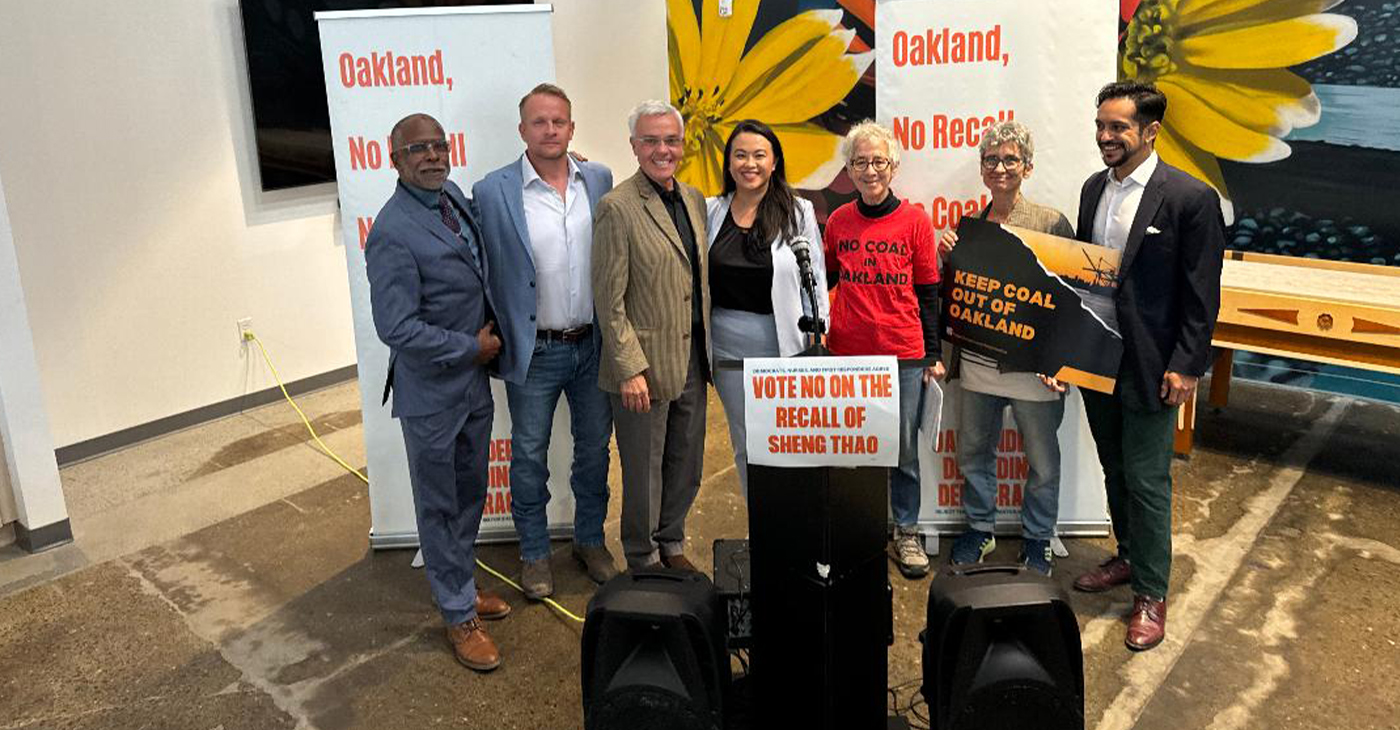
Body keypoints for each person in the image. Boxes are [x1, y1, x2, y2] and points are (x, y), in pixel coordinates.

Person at [1070, 81, 1226, 651]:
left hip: (1154, 364)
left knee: (1149, 479)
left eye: (1119, 127)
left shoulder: (1189, 198)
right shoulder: (1093, 189)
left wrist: (1187, 365)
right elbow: (1088, 277)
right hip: (1097, 359)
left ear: (1151, 131)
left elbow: (1202, 294)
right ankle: (1129, 558)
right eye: (1102, 125)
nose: (1106, 137)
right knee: (1115, 468)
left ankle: (1152, 594)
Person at [365, 113, 511, 672]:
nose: (431, 156)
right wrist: (467, 347)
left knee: (471, 490)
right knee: (439, 502)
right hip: (431, 392)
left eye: (438, 146)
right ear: (394, 158)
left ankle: (462, 583)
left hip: (473, 383)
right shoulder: (392, 230)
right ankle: (457, 615)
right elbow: (396, 328)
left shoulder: (450, 195)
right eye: (417, 149)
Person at [473, 84, 617, 599]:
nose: (550, 130)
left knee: (594, 451)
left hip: (593, 346)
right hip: (533, 350)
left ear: (572, 128)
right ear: (522, 131)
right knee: (529, 455)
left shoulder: (599, 178)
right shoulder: (492, 192)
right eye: (539, 122)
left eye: (559, 121)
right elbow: (478, 268)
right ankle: (534, 553)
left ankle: (590, 540)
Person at [937, 121, 1074, 576]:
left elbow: (1072, 299)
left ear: (1027, 167)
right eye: (991, 160)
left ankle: (1038, 538)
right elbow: (958, 296)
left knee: (1042, 460)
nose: (1000, 167)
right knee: (974, 451)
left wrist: (1065, 361)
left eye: (1010, 159)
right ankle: (979, 528)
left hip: (1034, 371)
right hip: (978, 368)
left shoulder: (1052, 223)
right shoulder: (969, 227)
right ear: (981, 168)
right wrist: (948, 258)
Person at [822, 120, 944, 579]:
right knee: (853, 447)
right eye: (860, 162)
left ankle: (907, 530)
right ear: (848, 170)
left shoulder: (915, 221)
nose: (869, 170)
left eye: (878, 161)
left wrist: (932, 353)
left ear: (893, 166)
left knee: (903, 451)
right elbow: (829, 279)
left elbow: (929, 290)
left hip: (905, 354)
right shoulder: (837, 221)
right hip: (849, 353)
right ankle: (860, 528)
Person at [592, 100, 710, 572]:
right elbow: (608, 298)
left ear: (682, 144)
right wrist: (628, 368)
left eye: (671, 140)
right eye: (651, 141)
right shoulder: (617, 208)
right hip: (643, 368)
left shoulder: (695, 199)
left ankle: (672, 542)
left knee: (685, 462)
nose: (663, 149)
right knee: (643, 471)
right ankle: (642, 557)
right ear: (634, 147)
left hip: (692, 361)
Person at [705, 120, 828, 493]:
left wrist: (817, 337)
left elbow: (817, 279)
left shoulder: (799, 211)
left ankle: (791, 519)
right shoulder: (710, 209)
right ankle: (761, 523)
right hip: (728, 348)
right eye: (740, 155)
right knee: (746, 441)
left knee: (788, 438)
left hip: (783, 344)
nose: (749, 163)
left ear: (775, 162)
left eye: (759, 155)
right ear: (728, 164)